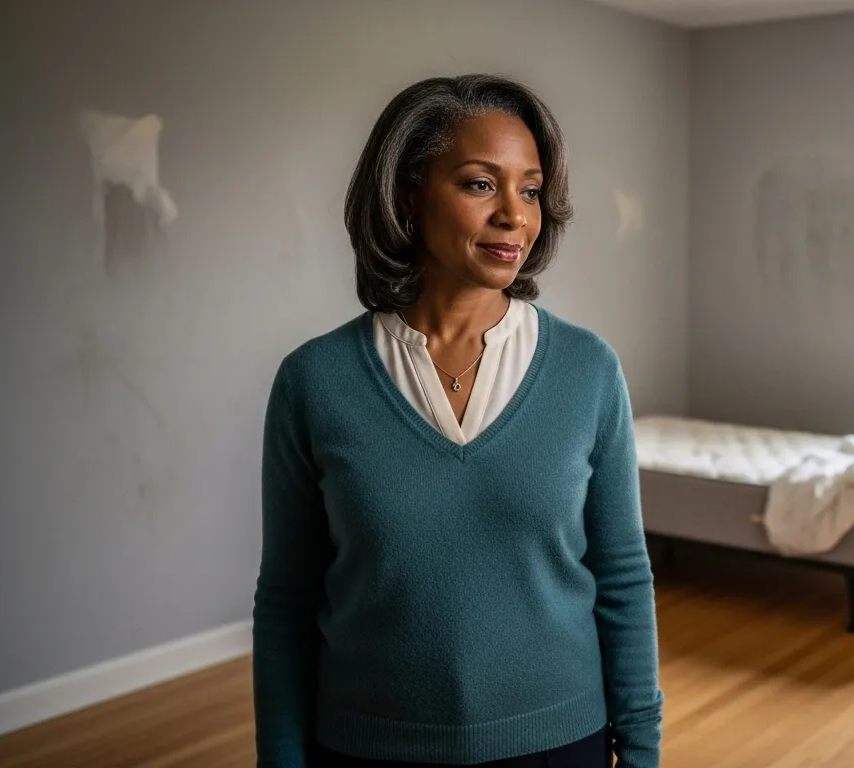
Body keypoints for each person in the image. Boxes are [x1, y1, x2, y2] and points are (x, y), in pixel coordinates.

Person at [252, 74, 663, 768]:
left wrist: (644, 751)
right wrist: (281, 758)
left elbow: (622, 576)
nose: (515, 216)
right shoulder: (314, 381)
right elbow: (288, 599)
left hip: (562, 744)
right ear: (408, 194)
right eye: (480, 184)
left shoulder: (588, 370)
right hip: (363, 747)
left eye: (529, 190)